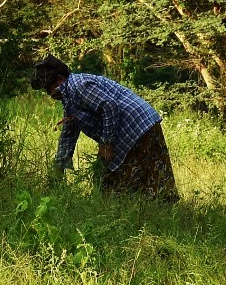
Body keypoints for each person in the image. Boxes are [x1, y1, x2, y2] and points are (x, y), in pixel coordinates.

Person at [33, 55, 179, 200]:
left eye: (48, 88)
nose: (49, 94)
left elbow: (109, 106)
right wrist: (59, 168)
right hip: (137, 126)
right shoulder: (69, 98)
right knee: (112, 184)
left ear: (59, 79)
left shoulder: (79, 86)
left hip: (137, 126)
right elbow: (68, 135)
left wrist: (106, 143)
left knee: (123, 184)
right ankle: (145, 213)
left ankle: (152, 213)